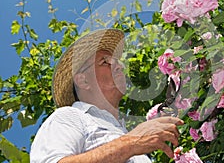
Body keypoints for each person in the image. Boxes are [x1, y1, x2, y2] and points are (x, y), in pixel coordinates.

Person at [30, 28, 184, 163]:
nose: (119, 65)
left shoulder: (121, 130)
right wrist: (132, 142)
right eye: (105, 62)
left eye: (117, 61)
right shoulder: (69, 116)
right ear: (83, 80)